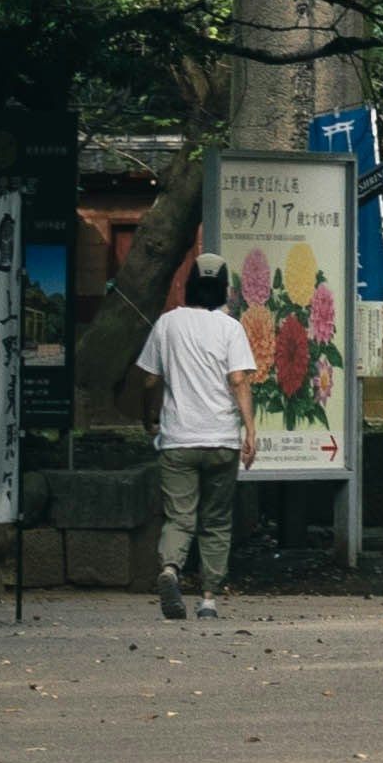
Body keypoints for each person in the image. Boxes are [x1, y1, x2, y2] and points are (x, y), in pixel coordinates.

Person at [138, 258, 258, 622]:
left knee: (179, 517)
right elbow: (238, 380)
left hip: (178, 440)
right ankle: (208, 599)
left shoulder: (167, 324)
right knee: (217, 520)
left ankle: (171, 570)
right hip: (221, 439)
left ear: (189, 283)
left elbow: (148, 380)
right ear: (224, 288)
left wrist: (150, 416)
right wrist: (249, 430)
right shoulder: (230, 328)